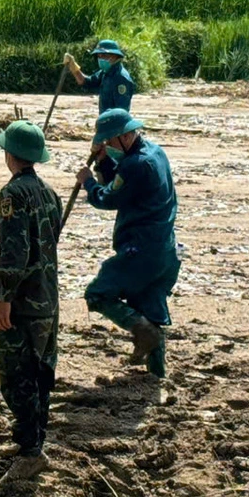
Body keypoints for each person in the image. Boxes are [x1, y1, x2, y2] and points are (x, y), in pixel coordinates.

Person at [75, 109, 180, 378]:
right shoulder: (155, 153)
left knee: (98, 294)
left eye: (109, 143)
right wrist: (104, 162)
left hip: (140, 251)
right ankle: (156, 373)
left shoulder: (136, 164)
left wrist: (88, 183)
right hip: (164, 249)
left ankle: (140, 330)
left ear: (123, 137)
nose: (108, 147)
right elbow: (122, 185)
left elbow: (108, 198)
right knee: (151, 310)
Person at [0, 120, 63, 484]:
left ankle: (32, 451)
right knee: (40, 374)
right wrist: (2, 242)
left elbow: (19, 253)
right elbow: (46, 240)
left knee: (18, 378)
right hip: (47, 298)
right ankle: (27, 440)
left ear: (11, 155)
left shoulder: (12, 194)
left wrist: (4, 298)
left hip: (24, 302)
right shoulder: (50, 194)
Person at [63, 40, 136, 184]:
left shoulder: (121, 79)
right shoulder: (105, 73)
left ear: (115, 57)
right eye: (100, 56)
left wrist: (109, 131)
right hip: (105, 122)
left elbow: (121, 111)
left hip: (116, 125)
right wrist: (74, 67)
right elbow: (86, 82)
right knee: (101, 154)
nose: (101, 59)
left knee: (112, 153)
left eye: (105, 56)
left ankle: (115, 185)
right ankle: (105, 185)